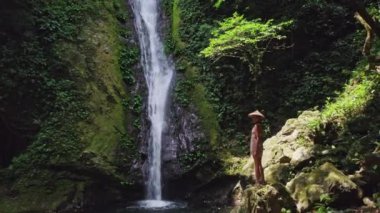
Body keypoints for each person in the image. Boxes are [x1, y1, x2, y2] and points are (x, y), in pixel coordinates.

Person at [248, 110, 265, 185]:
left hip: (256, 147)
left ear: (258, 118)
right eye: (253, 117)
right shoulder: (258, 126)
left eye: (254, 118)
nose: (253, 119)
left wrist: (255, 149)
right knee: (259, 164)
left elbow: (258, 138)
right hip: (258, 147)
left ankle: (258, 181)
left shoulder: (257, 126)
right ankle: (262, 180)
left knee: (256, 164)